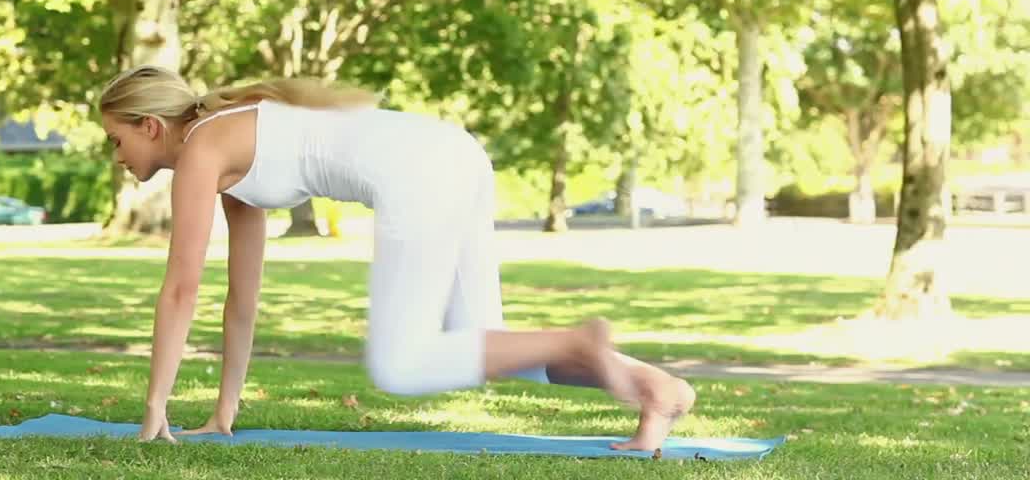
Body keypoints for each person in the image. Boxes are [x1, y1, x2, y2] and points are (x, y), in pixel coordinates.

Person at [98, 65, 695, 451]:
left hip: (420, 171)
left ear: (150, 125)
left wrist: (154, 407)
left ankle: (579, 340)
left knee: (402, 364)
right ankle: (654, 390)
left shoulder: (204, 146)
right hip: (454, 153)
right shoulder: (225, 151)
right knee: (489, 344)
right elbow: (241, 301)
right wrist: (222, 414)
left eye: (116, 139)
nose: (117, 156)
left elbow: (181, 290)